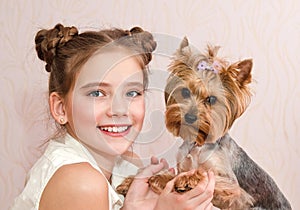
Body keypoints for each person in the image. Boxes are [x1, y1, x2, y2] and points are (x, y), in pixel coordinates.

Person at [10, 23, 215, 210]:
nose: (118, 109)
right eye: (97, 93)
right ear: (61, 108)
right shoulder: (81, 183)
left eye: (132, 93)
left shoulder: (123, 164)